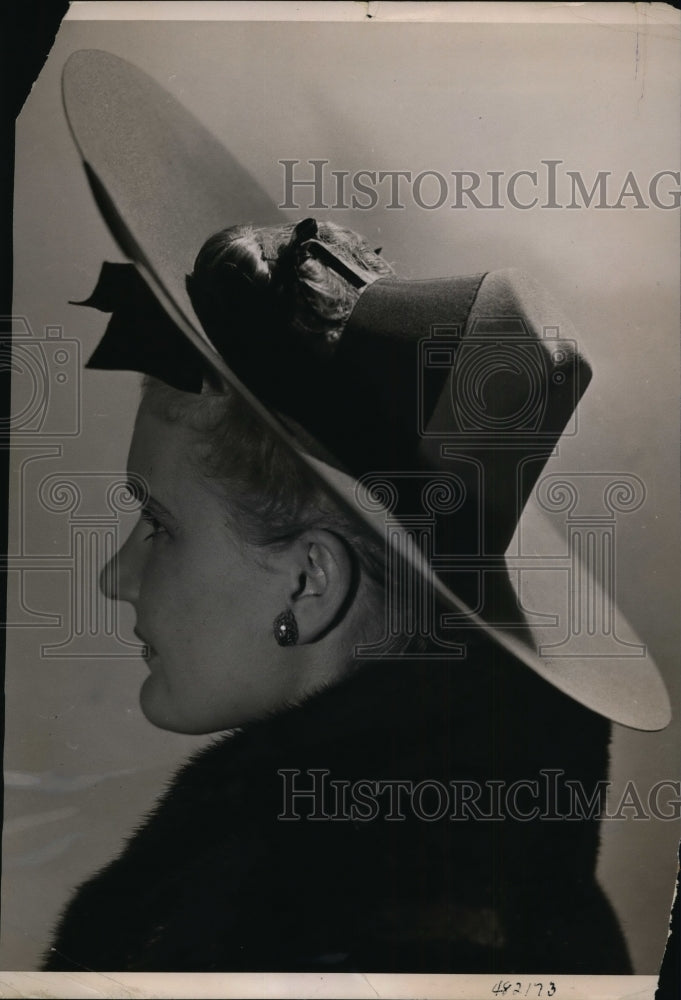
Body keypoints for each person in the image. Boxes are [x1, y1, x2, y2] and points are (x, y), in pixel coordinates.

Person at [42, 219, 633, 974]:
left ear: (308, 583)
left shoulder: (368, 932)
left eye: (158, 524)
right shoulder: (465, 862)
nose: (114, 578)